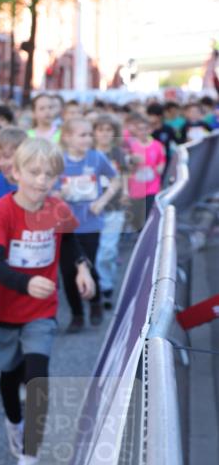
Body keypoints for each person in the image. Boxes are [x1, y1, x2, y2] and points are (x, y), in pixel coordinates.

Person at [0, 138, 94, 465]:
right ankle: (13, 422)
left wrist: (81, 268)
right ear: (15, 173)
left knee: (37, 381)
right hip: (3, 309)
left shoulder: (57, 208)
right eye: (34, 172)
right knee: (8, 376)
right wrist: (26, 283)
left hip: (41, 311)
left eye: (49, 174)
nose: (42, 181)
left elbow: (69, 242)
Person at [57, 118, 119, 332]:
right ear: (67, 137)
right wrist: (60, 194)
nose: (88, 139)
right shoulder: (59, 161)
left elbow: (115, 179)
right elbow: (50, 189)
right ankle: (76, 314)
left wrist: (102, 201)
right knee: (68, 271)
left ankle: (95, 302)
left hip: (90, 223)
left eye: (89, 135)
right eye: (82, 135)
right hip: (65, 226)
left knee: (88, 264)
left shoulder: (96, 157)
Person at [92, 114, 128, 311]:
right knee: (93, 249)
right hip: (90, 209)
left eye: (109, 130)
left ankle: (106, 285)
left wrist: (126, 192)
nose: (105, 134)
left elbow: (123, 176)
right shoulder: (89, 153)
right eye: (100, 130)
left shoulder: (118, 153)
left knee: (107, 249)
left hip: (114, 207)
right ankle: (94, 284)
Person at [124, 111, 166, 225]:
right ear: (135, 131)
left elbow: (162, 159)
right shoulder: (131, 146)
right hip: (136, 186)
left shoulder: (157, 145)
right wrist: (132, 162)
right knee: (136, 216)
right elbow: (126, 166)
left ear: (150, 130)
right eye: (140, 129)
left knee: (148, 213)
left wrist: (161, 167)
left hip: (152, 186)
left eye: (145, 129)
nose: (143, 132)